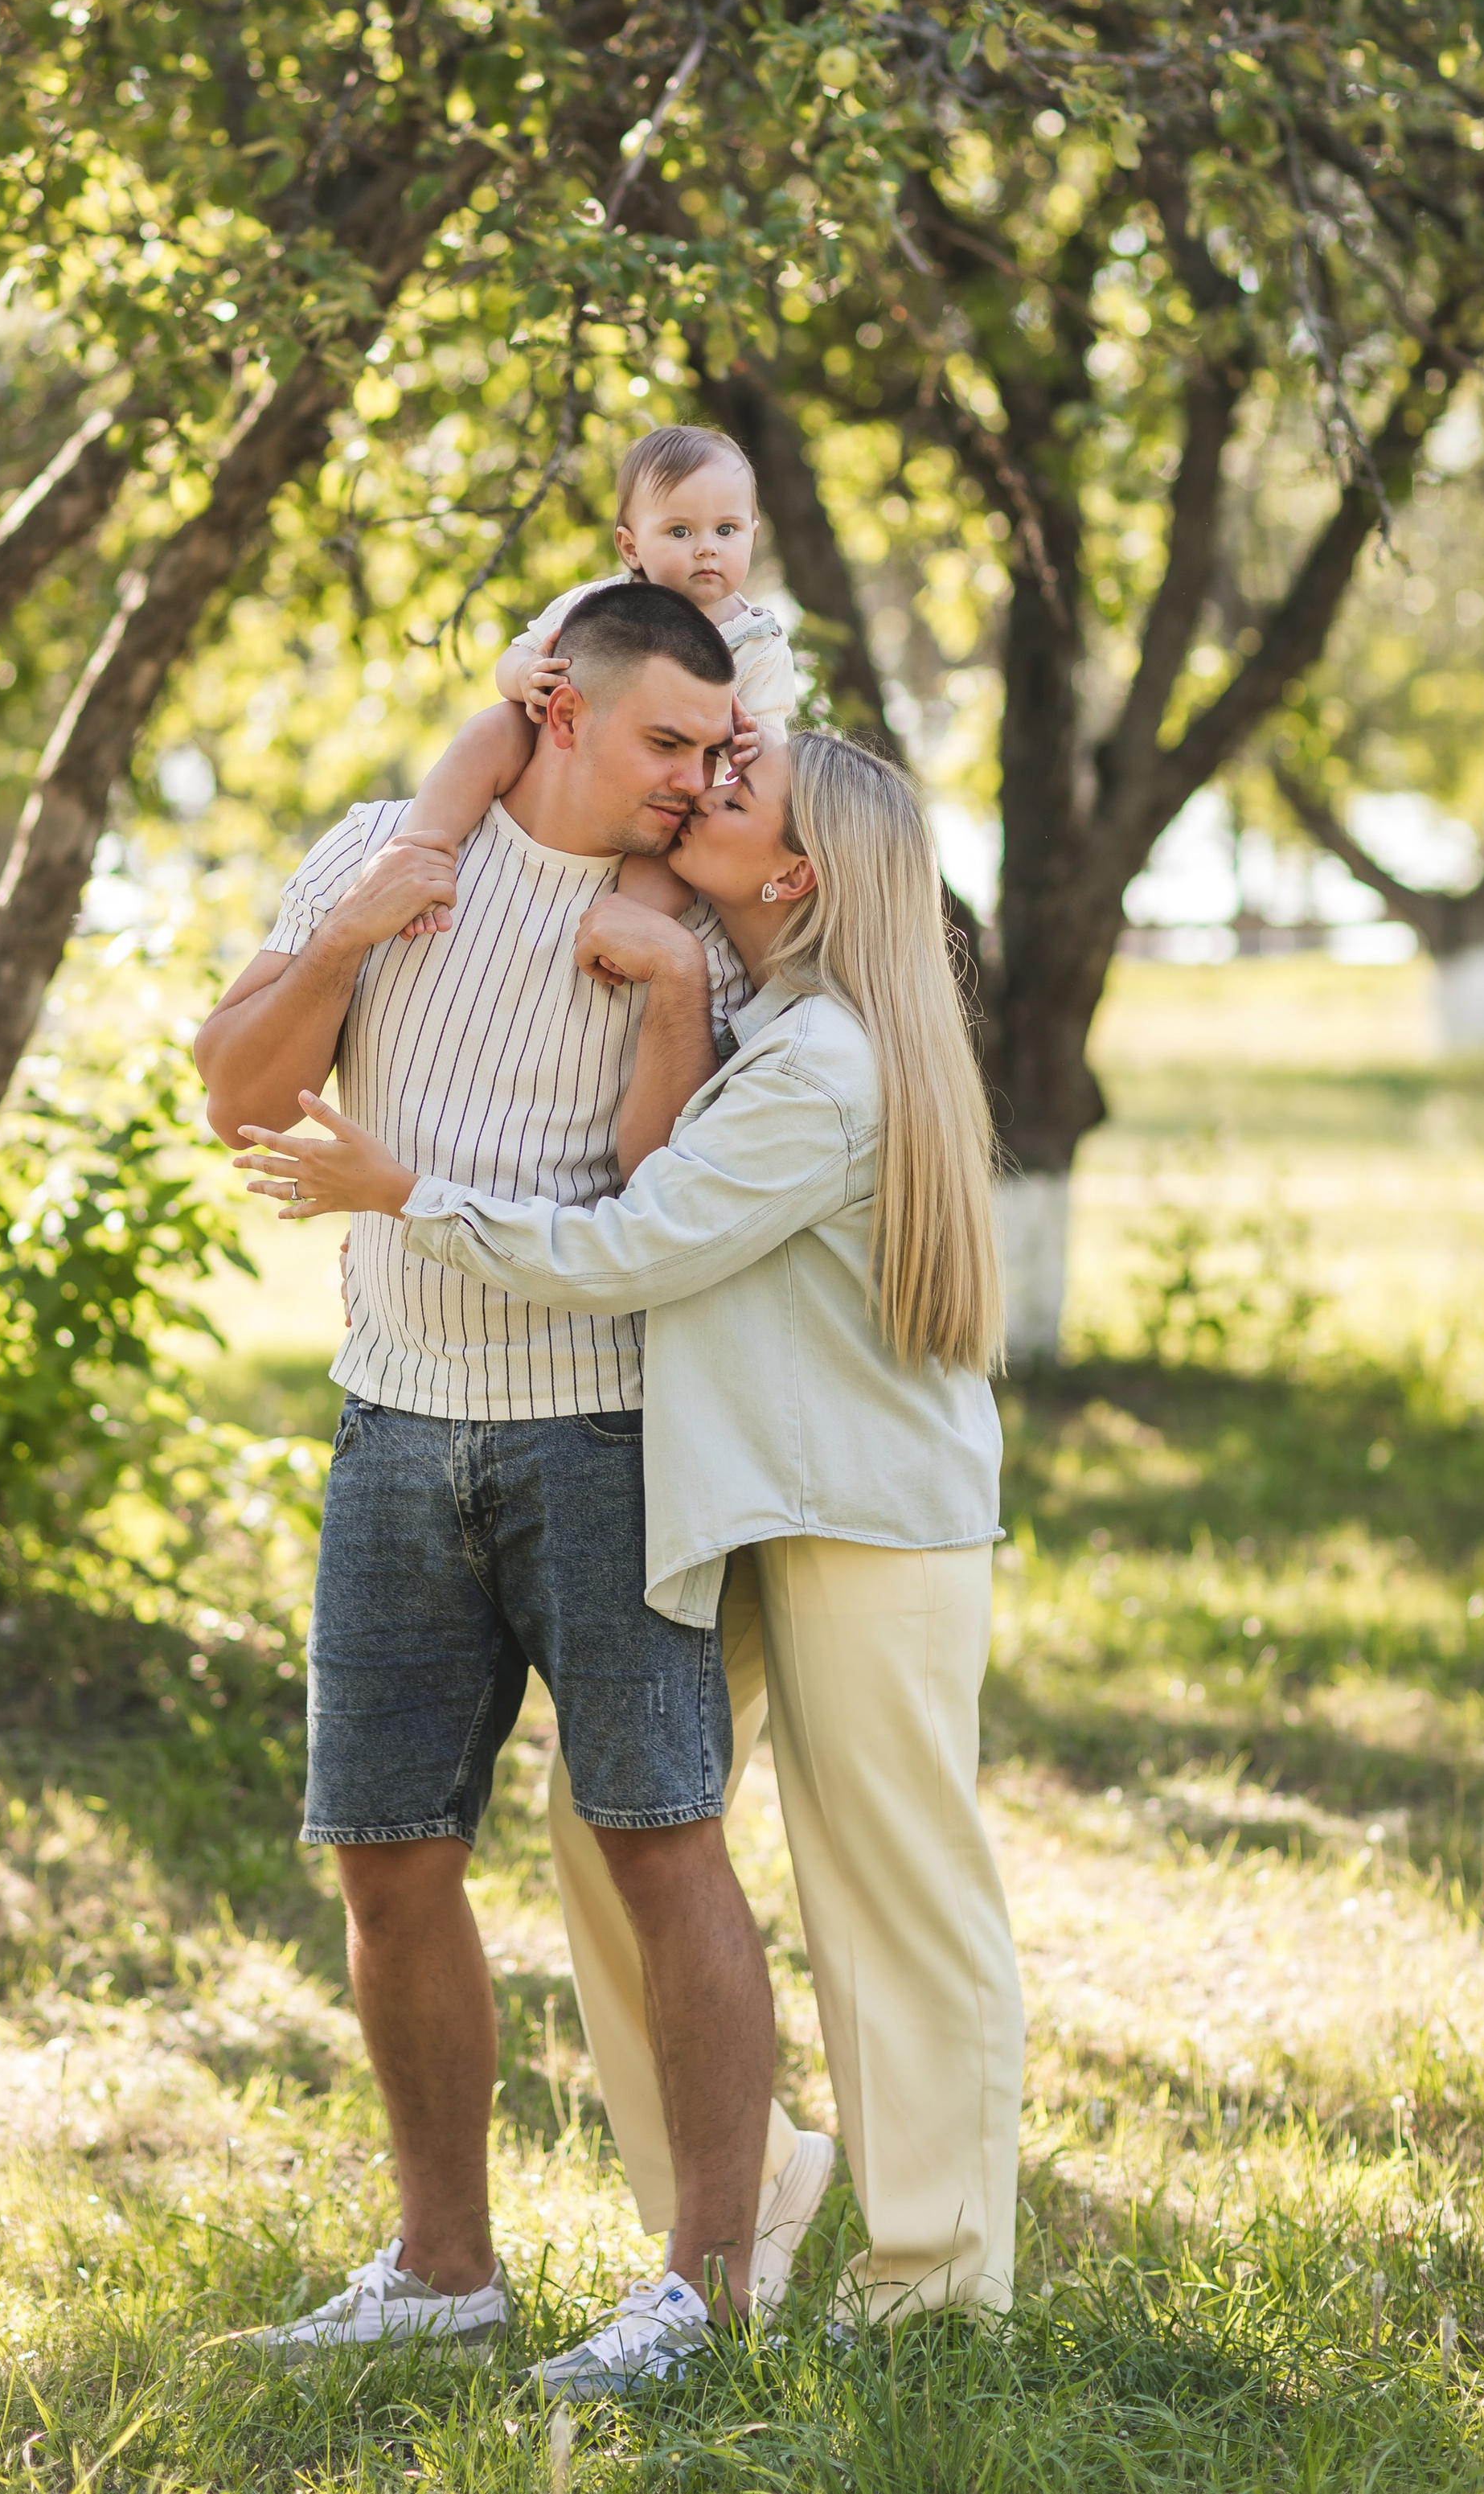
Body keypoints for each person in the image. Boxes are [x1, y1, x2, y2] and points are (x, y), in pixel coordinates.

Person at [240, 731, 1027, 2363]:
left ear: (794, 874)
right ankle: (743, 2204)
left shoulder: (816, 1066)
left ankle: (937, 2281)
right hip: (741, 1496)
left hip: (862, 1516)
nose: (693, 796)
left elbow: (628, 1244)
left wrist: (403, 1191)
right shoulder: (769, 1018)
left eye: (732, 797)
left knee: (891, 1888)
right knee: (614, 1821)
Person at [194, 581, 835, 2380]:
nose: (692, 783)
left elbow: (648, 1203)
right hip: (391, 1423)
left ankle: (700, 2296)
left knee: (660, 1840)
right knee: (384, 1859)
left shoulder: (693, 933)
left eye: (716, 756)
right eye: (662, 745)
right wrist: (346, 941)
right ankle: (442, 2270)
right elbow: (235, 1094)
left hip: (604, 1437)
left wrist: (655, 1007)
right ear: (559, 711)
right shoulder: (387, 852)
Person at [396, 425, 797, 934]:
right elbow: (513, 659)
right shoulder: (599, 604)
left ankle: (622, 928)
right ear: (630, 547)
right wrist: (527, 677)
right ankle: (420, 855)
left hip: (681, 788)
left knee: (674, 848)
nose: (706, 549)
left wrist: (751, 741)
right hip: (567, 749)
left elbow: (773, 750)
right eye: (679, 532)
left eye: (726, 530)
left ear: (753, 535)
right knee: (493, 728)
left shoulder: (758, 641)